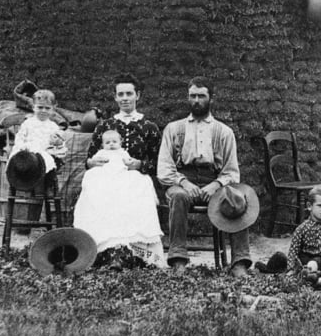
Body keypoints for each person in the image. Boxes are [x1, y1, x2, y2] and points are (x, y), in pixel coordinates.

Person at [157, 77, 253, 276]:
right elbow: (164, 169)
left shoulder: (224, 132)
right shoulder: (174, 129)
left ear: (211, 99)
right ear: (187, 98)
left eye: (202, 96)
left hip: (214, 181)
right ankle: (178, 260)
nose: (197, 101)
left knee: (238, 197)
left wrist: (216, 185)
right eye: (193, 96)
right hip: (182, 181)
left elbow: (232, 172)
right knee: (179, 197)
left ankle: (240, 261)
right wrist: (183, 182)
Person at [72, 128, 165, 268]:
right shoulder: (101, 152)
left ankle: (133, 248)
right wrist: (94, 162)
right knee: (94, 180)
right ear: (102, 144)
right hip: (104, 174)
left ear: (120, 142)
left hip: (122, 174)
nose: (111, 144)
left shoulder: (123, 152)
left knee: (140, 180)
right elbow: (91, 162)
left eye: (114, 142)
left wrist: (132, 163)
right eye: (107, 142)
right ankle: (103, 247)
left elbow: (129, 163)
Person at [255, 186, 321, 289]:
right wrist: (291, 267)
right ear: (309, 206)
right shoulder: (301, 228)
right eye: (320, 206)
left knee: (314, 262)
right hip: (303, 261)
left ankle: (311, 278)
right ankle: (288, 274)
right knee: (279, 257)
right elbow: (294, 250)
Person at [85, 74, 162, 179]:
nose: (125, 98)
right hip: (106, 179)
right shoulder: (104, 126)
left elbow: (159, 163)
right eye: (120, 94)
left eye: (129, 94)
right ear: (115, 97)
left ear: (137, 95)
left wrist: (140, 165)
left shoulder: (149, 127)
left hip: (137, 180)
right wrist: (92, 163)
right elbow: (89, 160)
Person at [7, 88, 66, 178]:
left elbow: (58, 144)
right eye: (40, 107)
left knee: (46, 160)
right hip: (27, 153)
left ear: (53, 109)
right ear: (33, 107)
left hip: (44, 153)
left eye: (47, 108)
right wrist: (23, 147)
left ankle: (42, 187)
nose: (43, 111)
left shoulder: (53, 126)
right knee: (20, 160)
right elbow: (19, 139)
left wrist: (57, 142)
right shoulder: (28, 123)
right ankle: (23, 183)